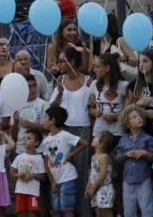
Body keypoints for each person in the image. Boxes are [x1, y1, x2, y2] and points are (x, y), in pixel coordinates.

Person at [50, 48, 93, 216]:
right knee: (61, 170)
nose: (59, 64)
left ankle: (83, 212)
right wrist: (59, 94)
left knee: (81, 172)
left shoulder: (88, 81)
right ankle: (63, 210)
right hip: (63, 130)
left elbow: (92, 106)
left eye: (62, 61)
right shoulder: (60, 80)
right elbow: (52, 109)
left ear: (72, 62)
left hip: (82, 129)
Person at [42, 105, 89, 217]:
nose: (43, 120)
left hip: (68, 177)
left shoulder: (64, 135)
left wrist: (70, 155)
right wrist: (52, 181)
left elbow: (85, 143)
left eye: (45, 117)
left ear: (52, 120)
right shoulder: (46, 140)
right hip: (56, 180)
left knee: (67, 207)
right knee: (55, 209)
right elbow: (46, 162)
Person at [114, 105, 153, 217]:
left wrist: (145, 153)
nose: (138, 118)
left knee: (147, 209)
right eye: (134, 117)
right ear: (127, 123)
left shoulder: (148, 139)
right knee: (129, 211)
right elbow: (117, 158)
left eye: (140, 116)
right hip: (127, 180)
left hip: (144, 179)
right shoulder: (123, 140)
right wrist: (125, 154)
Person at [90, 52, 129, 137]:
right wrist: (95, 112)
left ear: (107, 68)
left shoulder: (124, 85)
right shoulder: (94, 84)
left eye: (97, 67)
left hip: (117, 133)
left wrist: (116, 117)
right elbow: (90, 108)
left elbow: (128, 111)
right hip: (98, 132)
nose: (94, 70)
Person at [11, 129, 47, 217]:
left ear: (36, 143)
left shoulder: (39, 158)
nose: (25, 140)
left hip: (33, 192)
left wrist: (32, 175)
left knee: (33, 212)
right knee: (21, 212)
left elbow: (43, 176)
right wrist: (17, 175)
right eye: (24, 138)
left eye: (28, 138)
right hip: (20, 191)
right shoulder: (19, 157)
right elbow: (12, 171)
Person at [10, 74, 48, 148]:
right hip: (21, 149)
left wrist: (30, 125)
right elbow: (13, 136)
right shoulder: (16, 105)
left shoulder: (44, 104)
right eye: (29, 87)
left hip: (39, 149)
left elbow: (48, 129)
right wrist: (15, 122)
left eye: (35, 85)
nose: (33, 89)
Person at [87, 130, 115, 217]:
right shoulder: (93, 157)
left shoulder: (104, 158)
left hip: (104, 189)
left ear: (101, 144)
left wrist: (93, 188)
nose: (94, 137)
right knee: (98, 212)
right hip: (96, 188)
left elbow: (102, 175)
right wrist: (88, 186)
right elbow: (92, 173)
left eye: (96, 137)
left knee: (105, 213)